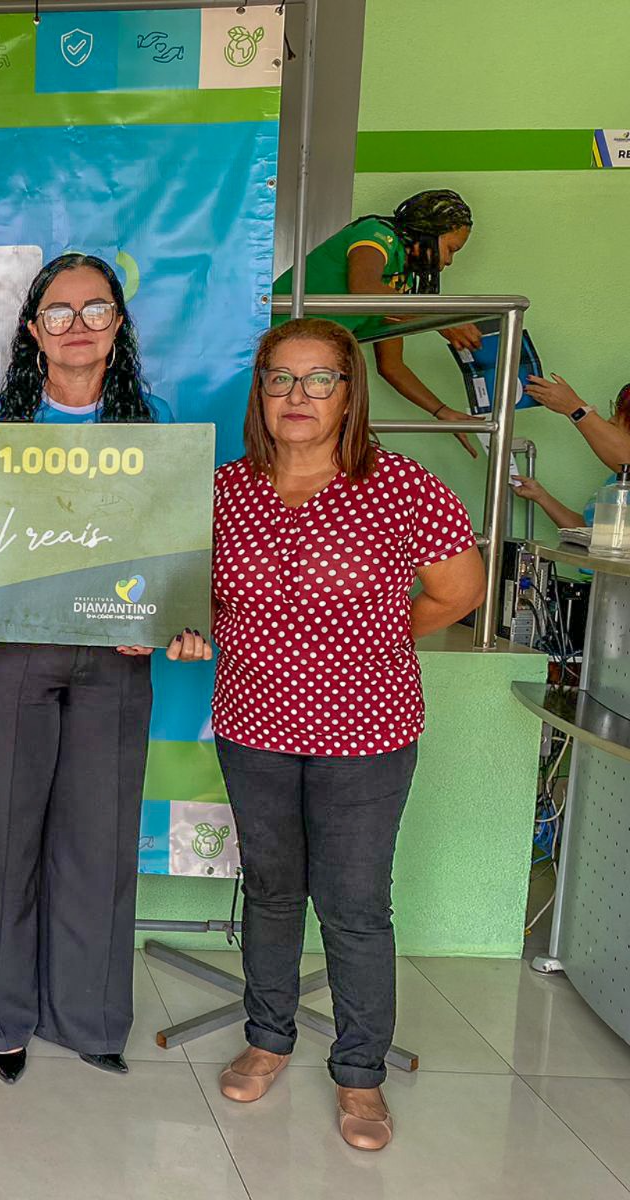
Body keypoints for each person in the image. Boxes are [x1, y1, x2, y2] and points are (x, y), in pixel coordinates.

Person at [207, 318, 485, 1151]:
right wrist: (194, 630)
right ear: (260, 392)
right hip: (254, 724)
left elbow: (458, 592)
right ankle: (268, 1037)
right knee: (270, 889)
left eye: (318, 379)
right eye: (280, 379)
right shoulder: (224, 490)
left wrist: (373, 641)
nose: (298, 395)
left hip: (367, 732)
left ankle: (360, 1073)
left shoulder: (402, 487)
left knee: (356, 906)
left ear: (348, 392)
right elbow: (198, 598)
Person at [0, 253, 175, 1086]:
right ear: (33, 331)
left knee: (100, 840)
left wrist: (162, 615)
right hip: (10, 652)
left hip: (116, 656)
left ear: (119, 324)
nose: (78, 326)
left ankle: (89, 1015)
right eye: (59, 312)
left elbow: (173, 544)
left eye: (95, 309)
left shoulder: (155, 422)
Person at [275, 189, 482, 457]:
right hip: (271, 345)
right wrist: (441, 320)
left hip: (307, 364)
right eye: (451, 249)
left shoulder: (400, 283)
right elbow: (363, 289)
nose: (448, 262)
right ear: (430, 233)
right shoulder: (376, 233)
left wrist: (443, 412)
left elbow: (392, 366)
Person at [514, 377, 630, 529]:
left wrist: (574, 408)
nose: (610, 421)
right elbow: (591, 533)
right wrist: (541, 496)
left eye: (620, 418)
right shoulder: (615, 483)